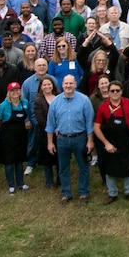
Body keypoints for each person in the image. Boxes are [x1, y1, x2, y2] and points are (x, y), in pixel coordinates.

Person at [49, 76, 95, 205]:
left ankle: (83, 193)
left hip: (80, 138)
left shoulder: (84, 100)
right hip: (62, 139)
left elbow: (89, 123)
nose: (68, 86)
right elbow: (50, 124)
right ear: (62, 85)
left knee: (83, 166)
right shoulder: (55, 101)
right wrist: (50, 142)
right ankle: (66, 193)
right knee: (63, 168)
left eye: (71, 83)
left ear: (75, 84)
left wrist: (90, 141)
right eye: (66, 83)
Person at [94, 81, 129, 203]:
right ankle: (112, 193)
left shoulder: (128, 103)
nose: (114, 93)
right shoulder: (103, 107)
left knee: (128, 165)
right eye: (112, 91)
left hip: (125, 139)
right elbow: (96, 127)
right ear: (108, 92)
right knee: (110, 165)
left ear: (121, 91)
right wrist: (106, 143)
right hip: (110, 140)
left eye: (117, 90)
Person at [0, 83, 31, 194]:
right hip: (7, 139)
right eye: (12, 91)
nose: (15, 93)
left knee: (19, 161)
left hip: (20, 137)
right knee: (9, 162)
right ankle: (11, 185)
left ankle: (21, 183)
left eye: (17, 90)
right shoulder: (4, 105)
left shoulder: (24, 103)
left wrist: (27, 121)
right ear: (8, 93)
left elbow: (27, 115)